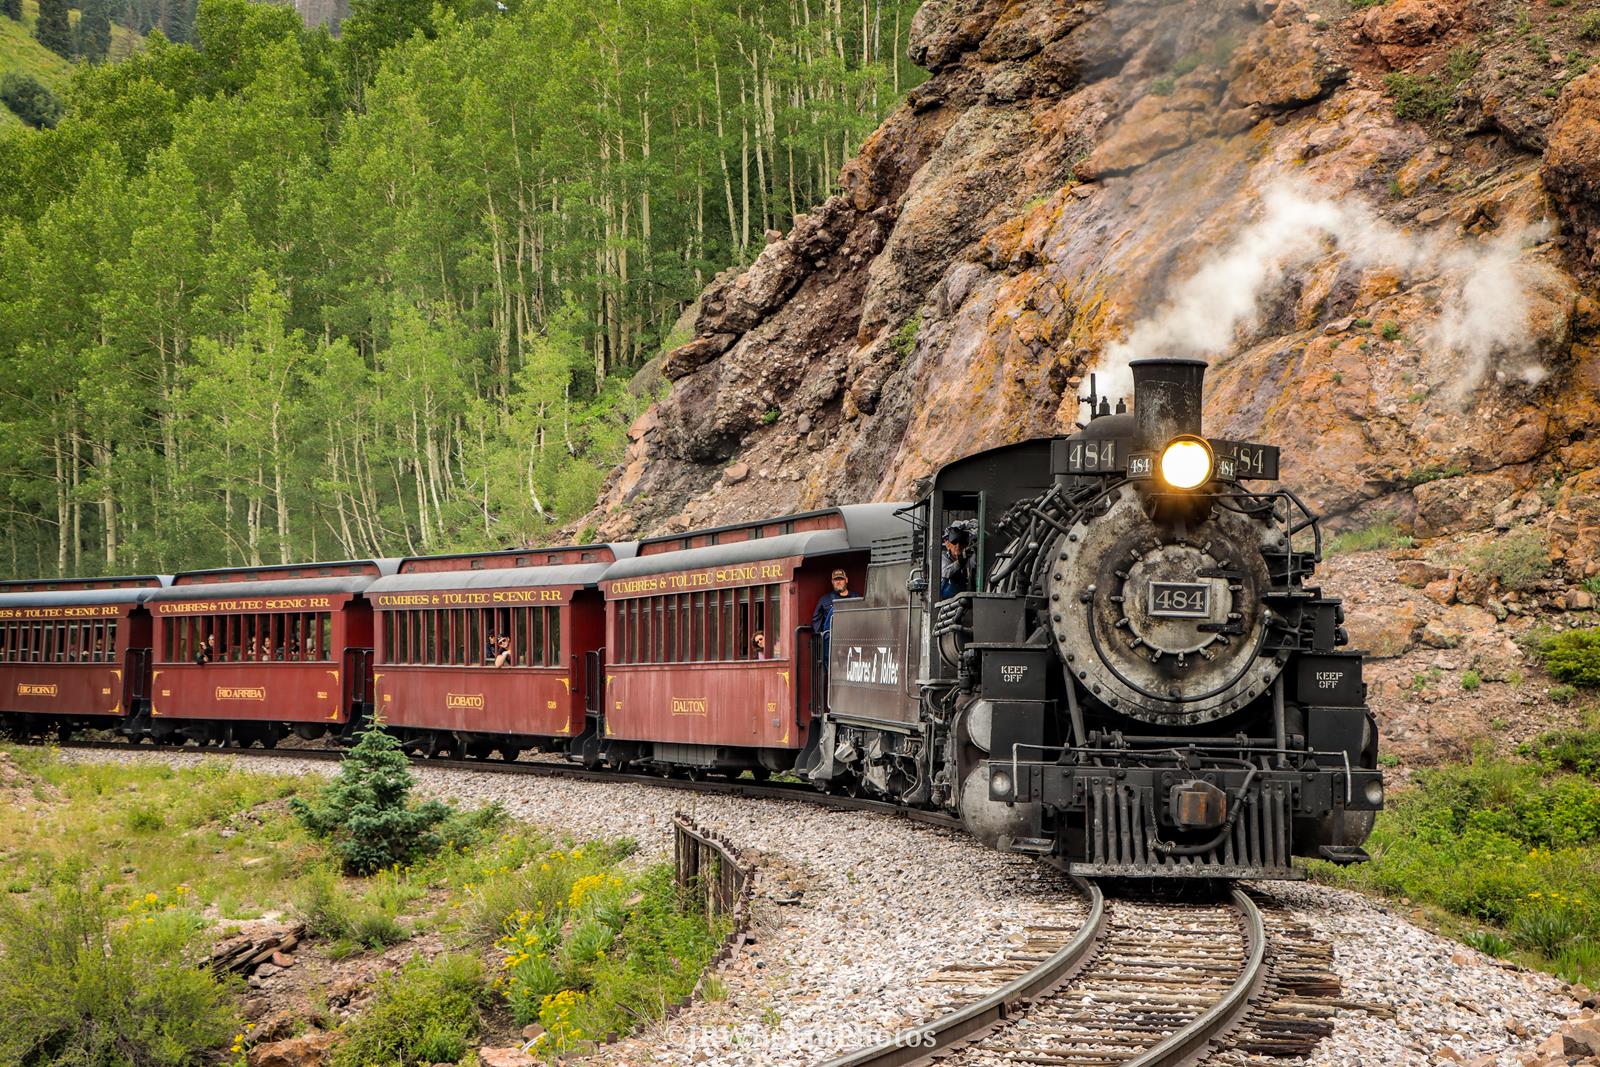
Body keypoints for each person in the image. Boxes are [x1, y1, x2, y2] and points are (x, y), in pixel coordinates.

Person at [810, 569, 856, 641]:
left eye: (841, 579)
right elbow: (816, 621)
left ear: (846, 580)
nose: (838, 582)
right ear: (832, 582)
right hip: (832, 641)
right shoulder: (824, 600)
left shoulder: (856, 598)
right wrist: (822, 639)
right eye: (835, 580)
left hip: (853, 639)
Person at [940, 525, 973, 600]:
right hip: (946, 600)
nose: (958, 546)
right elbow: (945, 573)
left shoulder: (970, 557)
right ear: (947, 543)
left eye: (961, 542)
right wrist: (959, 563)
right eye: (954, 542)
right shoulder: (943, 558)